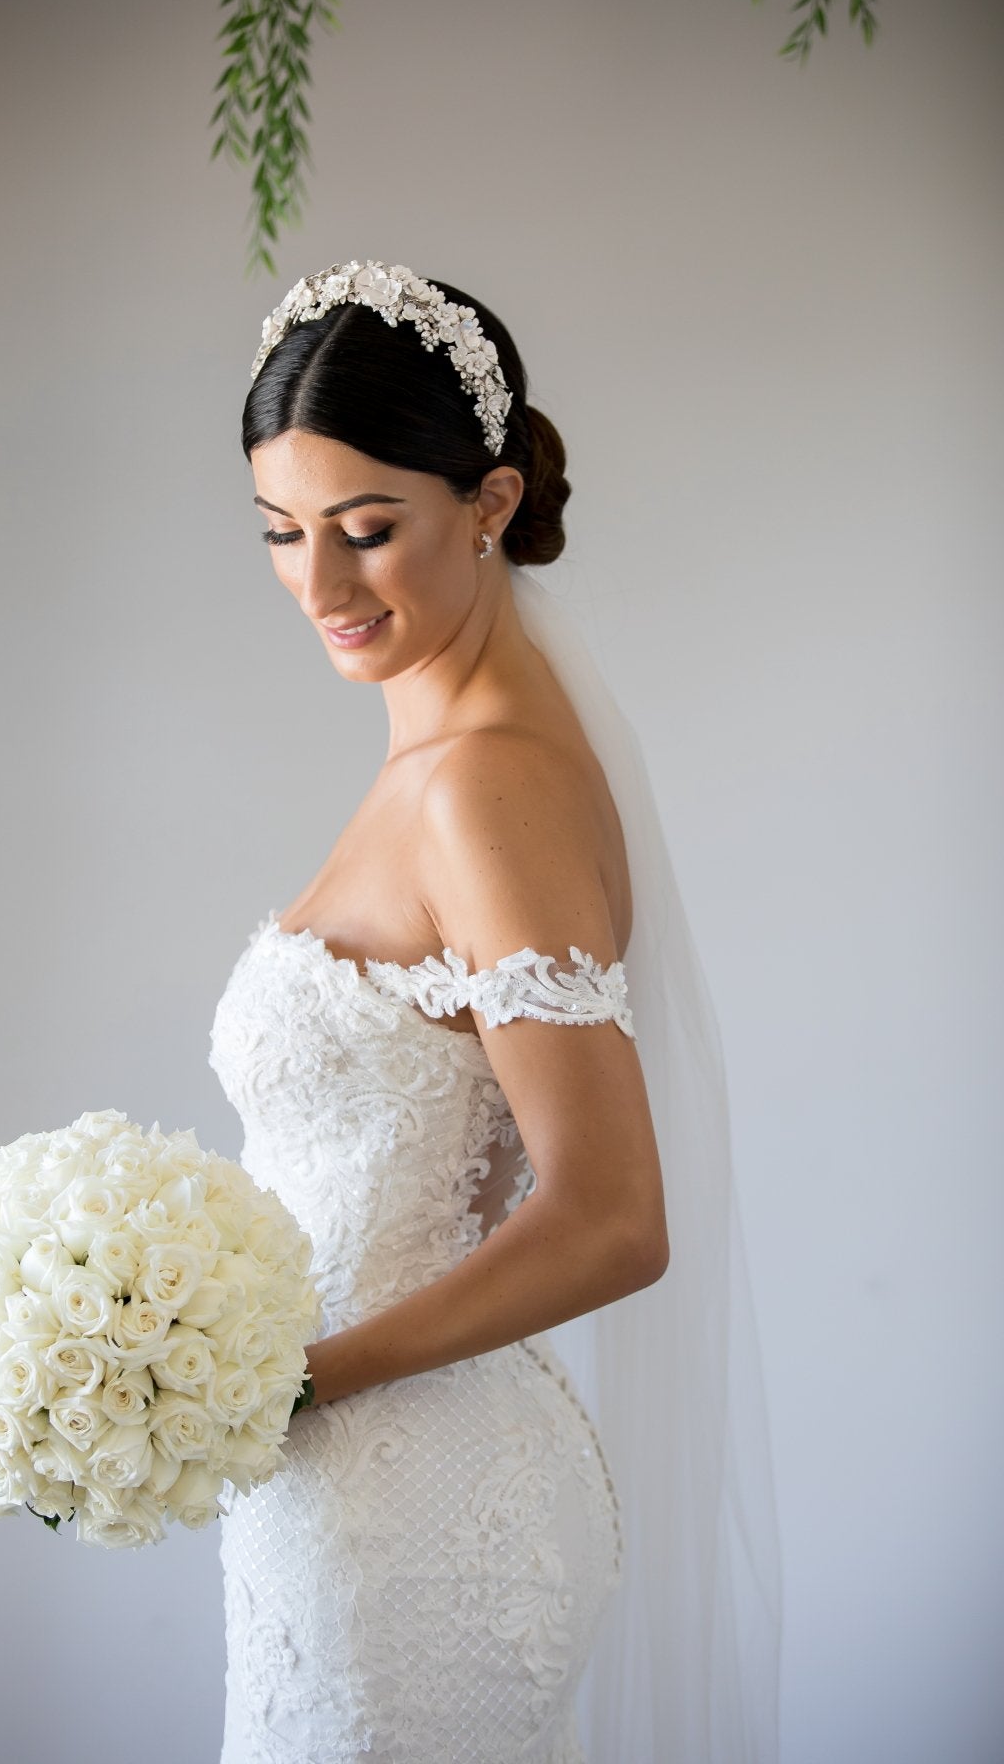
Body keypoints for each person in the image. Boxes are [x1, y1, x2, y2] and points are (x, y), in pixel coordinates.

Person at [208, 260, 782, 1763]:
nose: (321, 589)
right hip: (345, 1478)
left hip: (411, 1510)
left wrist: (290, 1384)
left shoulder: (483, 787)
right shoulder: (442, 757)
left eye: (367, 530)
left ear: (492, 502)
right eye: (281, 533)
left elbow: (612, 1218)